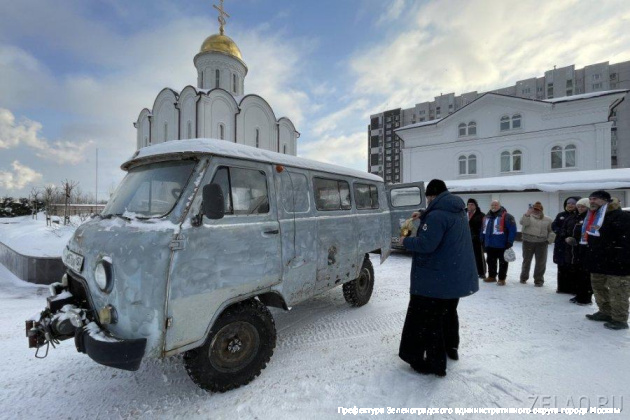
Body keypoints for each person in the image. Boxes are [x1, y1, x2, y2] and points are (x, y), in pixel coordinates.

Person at [398, 179, 478, 377]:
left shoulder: (436, 216)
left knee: (427, 321)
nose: (427, 202)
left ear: (432, 196)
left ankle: (432, 364)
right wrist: (424, 215)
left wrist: (406, 241)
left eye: (428, 198)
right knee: (449, 313)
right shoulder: (458, 210)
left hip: (435, 280)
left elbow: (426, 244)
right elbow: (442, 220)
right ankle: (451, 348)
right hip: (454, 276)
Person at [583, 191, 630, 330]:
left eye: (595, 199)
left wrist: (622, 257)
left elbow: (627, 240)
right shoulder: (593, 216)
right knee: (599, 288)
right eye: (590, 199)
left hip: (617, 263)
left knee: (618, 291)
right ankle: (605, 312)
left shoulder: (620, 216)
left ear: (606, 201)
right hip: (598, 261)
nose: (592, 201)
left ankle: (620, 319)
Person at [481, 200, 517, 286]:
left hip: (502, 244)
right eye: (492, 205)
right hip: (490, 244)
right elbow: (482, 229)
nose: (494, 206)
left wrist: (510, 241)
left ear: (500, 206)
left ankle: (502, 279)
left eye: (496, 205)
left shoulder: (508, 216)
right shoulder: (487, 216)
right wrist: (481, 239)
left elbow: (512, 230)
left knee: (503, 262)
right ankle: (492, 276)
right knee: (490, 261)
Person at [519, 202, 555, 287]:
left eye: (538, 209)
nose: (536, 211)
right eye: (534, 209)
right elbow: (523, 222)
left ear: (541, 210)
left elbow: (552, 231)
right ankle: (523, 278)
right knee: (526, 261)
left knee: (541, 263)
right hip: (528, 241)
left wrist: (549, 240)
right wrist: (527, 213)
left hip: (542, 243)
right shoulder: (527, 216)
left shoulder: (548, 219)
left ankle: (538, 280)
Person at [564, 198, 592, 305]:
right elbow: (566, 229)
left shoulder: (589, 218)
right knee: (576, 273)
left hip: (585, 249)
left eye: (583, 206)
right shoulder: (574, 217)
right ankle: (578, 294)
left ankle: (585, 298)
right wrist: (567, 237)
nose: (580, 208)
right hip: (573, 249)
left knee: (585, 275)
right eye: (579, 206)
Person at [552, 197, 581, 293]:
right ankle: (562, 287)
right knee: (561, 266)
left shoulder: (579, 216)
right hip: (561, 244)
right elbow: (554, 225)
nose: (570, 205)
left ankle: (573, 288)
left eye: (573, 203)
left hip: (572, 244)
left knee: (572, 266)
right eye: (568, 203)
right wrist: (560, 232)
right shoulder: (561, 215)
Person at [467, 198, 487, 279]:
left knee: (479, 256)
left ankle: (481, 272)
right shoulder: (463, 213)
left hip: (477, 239)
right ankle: (468, 271)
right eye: (468, 204)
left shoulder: (481, 215)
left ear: (476, 206)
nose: (470, 206)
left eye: (472, 204)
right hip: (465, 239)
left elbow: (484, 228)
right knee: (466, 256)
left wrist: (479, 237)